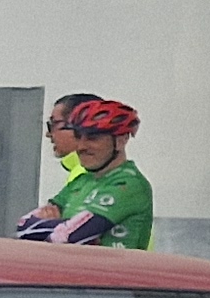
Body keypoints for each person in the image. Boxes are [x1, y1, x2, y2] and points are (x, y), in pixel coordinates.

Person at [37, 98, 153, 249]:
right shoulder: (81, 180)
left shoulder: (129, 184)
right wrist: (65, 229)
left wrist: (56, 227)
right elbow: (24, 227)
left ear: (121, 140)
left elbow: (70, 237)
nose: (81, 146)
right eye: (78, 137)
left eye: (93, 138)